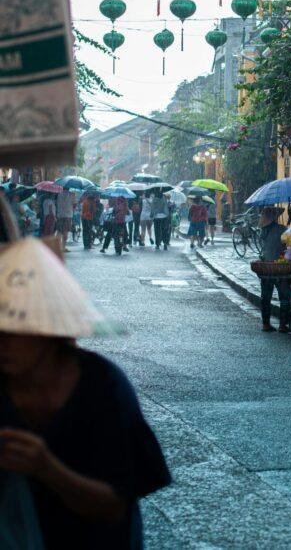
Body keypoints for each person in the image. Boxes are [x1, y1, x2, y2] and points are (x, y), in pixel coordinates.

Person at [0, 237, 171, 548]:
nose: (4, 341)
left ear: (48, 328)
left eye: (16, 328)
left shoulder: (103, 385)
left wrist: (46, 468)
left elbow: (115, 504)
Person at [259, 207, 291, 333]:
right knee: (284, 296)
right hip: (280, 267)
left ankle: (266, 324)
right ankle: (283, 325)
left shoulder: (263, 231)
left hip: (266, 267)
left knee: (265, 297)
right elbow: (288, 245)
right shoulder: (282, 229)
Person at [56, 188, 75, 252]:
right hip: (68, 215)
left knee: (59, 231)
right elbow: (74, 205)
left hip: (60, 215)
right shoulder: (72, 195)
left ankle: (57, 246)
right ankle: (63, 247)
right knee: (65, 231)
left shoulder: (58, 194)